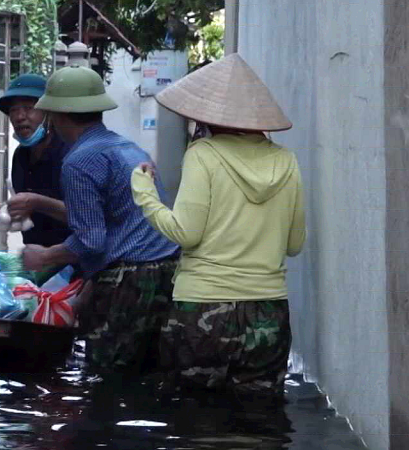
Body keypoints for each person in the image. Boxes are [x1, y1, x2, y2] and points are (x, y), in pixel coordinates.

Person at [130, 53, 306, 394]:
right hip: (268, 311)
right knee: (259, 420)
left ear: (206, 117)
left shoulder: (203, 154)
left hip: (203, 309)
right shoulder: (287, 161)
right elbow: (294, 245)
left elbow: (186, 233)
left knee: (196, 416)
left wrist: (144, 193)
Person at [20, 65, 180, 372]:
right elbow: (118, 227)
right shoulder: (129, 148)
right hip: (169, 271)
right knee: (149, 371)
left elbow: (91, 242)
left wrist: (44, 256)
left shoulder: (78, 162)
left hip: (129, 280)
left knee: (110, 376)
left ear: (58, 115)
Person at [0, 74, 71, 248]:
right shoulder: (21, 156)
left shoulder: (70, 155)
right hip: (37, 261)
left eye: (29, 108)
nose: (20, 117)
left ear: (49, 113)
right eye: (13, 110)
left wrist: (36, 202)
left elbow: (85, 214)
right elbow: (25, 206)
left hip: (71, 261)